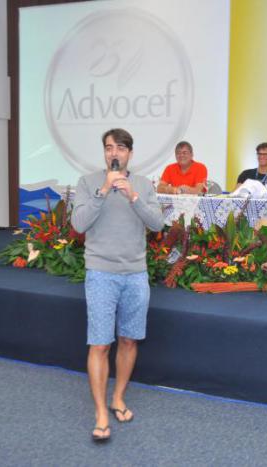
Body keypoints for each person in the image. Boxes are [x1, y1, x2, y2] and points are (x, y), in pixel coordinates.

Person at [71, 128, 165, 442]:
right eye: (109, 147)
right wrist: (102, 191)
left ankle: (118, 397)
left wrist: (133, 197)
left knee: (128, 340)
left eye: (121, 148)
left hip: (135, 273)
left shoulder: (143, 185)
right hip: (101, 272)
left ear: (130, 153)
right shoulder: (88, 183)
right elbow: (79, 224)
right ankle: (100, 412)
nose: (115, 153)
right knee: (100, 344)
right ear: (105, 152)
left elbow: (157, 224)